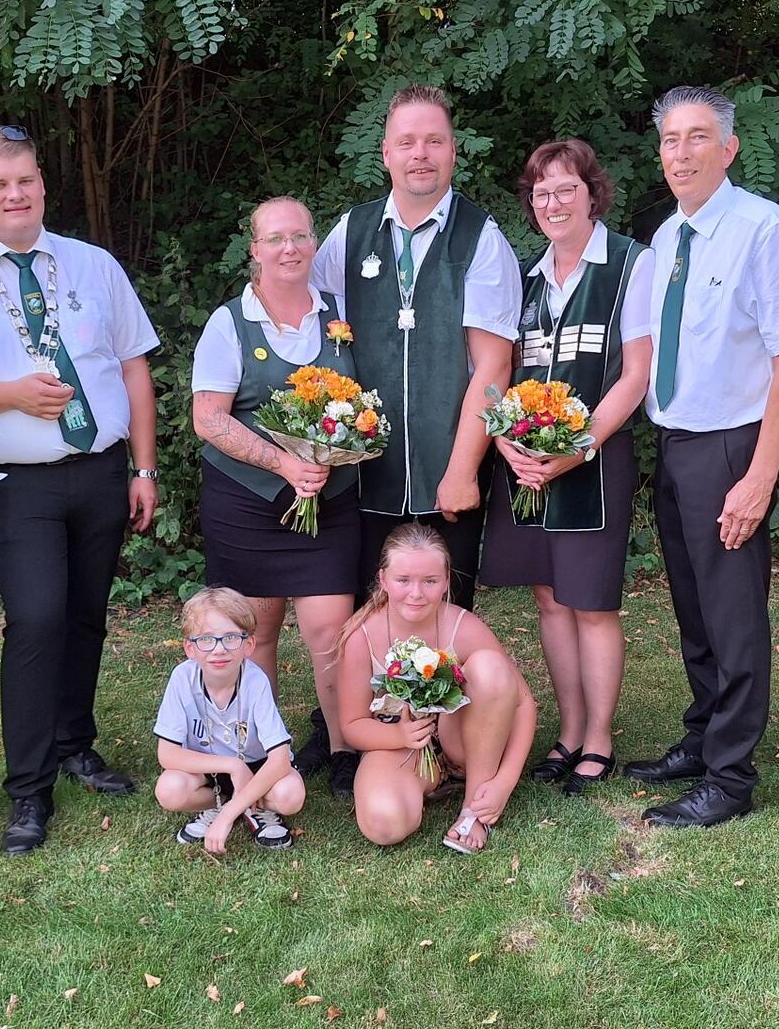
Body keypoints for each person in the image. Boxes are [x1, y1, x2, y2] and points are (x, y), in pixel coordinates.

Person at [0, 125, 161, 855]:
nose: (14, 195)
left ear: (42, 183)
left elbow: (134, 368)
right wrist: (7, 395)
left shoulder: (93, 265)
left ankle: (76, 743)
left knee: (85, 615)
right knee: (37, 619)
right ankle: (28, 791)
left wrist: (144, 468)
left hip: (103, 470)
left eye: (25, 181)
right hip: (19, 483)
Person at [622, 86, 779, 830]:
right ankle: (702, 735)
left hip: (734, 445)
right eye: (671, 140)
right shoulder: (667, 239)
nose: (682, 153)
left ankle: (731, 777)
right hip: (677, 443)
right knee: (694, 608)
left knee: (735, 617)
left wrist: (760, 474)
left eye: (698, 137)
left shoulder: (760, 228)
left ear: (729, 148)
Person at [480, 140, 654, 796]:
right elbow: (495, 376)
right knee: (550, 600)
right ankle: (570, 729)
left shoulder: (630, 265)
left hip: (593, 461)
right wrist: (507, 443)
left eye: (565, 189)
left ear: (592, 194)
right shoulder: (523, 277)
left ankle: (601, 737)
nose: (552, 203)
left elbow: (634, 376)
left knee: (591, 604)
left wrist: (577, 449)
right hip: (526, 465)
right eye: (541, 192)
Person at [310, 85, 523, 611]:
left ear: (453, 150)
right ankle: (361, 699)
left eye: (433, 141)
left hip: (447, 466)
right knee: (364, 606)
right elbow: (305, 325)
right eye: (407, 142)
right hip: (361, 466)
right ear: (386, 154)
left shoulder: (481, 238)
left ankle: (435, 696)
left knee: (441, 610)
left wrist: (461, 471)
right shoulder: (350, 232)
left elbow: (494, 367)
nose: (419, 155)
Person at [191, 197, 360, 790]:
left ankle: (345, 748)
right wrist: (285, 463)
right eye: (275, 239)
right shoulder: (229, 322)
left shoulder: (341, 316)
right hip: (246, 504)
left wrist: (337, 453)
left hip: (329, 506)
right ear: (254, 250)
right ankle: (259, 750)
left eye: (300, 236)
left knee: (331, 633)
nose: (289, 248)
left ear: (314, 244)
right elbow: (208, 419)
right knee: (253, 633)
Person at [336, 524, 537, 853]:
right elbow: (352, 726)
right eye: (403, 580)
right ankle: (417, 787)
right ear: (383, 579)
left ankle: (475, 807)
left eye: (429, 581)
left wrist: (505, 781)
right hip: (399, 746)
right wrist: (398, 738)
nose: (416, 594)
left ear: (445, 582)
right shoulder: (363, 635)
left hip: (464, 744)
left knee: (489, 666)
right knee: (383, 825)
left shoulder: (464, 626)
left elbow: (524, 705)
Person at [152, 587, 306, 853]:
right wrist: (233, 766)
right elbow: (167, 755)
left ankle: (244, 808)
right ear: (190, 648)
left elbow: (280, 759)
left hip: (259, 768)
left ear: (249, 645)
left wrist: (227, 817)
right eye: (206, 639)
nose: (219, 650)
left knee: (291, 795)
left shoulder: (255, 680)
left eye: (231, 638)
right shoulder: (181, 679)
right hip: (209, 768)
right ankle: (222, 801)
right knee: (169, 789)